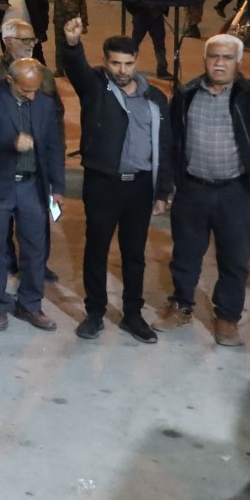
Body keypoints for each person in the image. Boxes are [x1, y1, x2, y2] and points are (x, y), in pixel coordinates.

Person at [60, 19, 173, 343]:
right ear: (105, 61)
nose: (122, 70)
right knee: (96, 250)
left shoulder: (154, 97)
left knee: (134, 254)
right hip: (102, 184)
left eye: (128, 63)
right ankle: (95, 313)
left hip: (140, 187)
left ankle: (132, 315)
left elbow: (165, 145)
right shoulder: (95, 87)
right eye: (115, 63)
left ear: (136, 61)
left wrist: (163, 190)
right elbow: (76, 68)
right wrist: (71, 44)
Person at [154, 34, 250, 347]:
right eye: (214, 56)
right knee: (185, 254)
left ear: (240, 62)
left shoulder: (249, 97)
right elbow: (170, 142)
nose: (219, 63)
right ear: (205, 59)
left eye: (227, 57)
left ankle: (227, 318)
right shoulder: (186, 94)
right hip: (193, 189)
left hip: (235, 192)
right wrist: (166, 186)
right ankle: (181, 307)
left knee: (234, 259)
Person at [0, 60, 65, 332]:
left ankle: (30, 304)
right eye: (26, 90)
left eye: (35, 89)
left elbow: (54, 146)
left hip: (32, 186)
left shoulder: (44, 103)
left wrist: (58, 188)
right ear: (10, 80)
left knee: (35, 249)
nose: (32, 95)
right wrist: (11, 142)